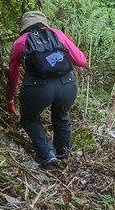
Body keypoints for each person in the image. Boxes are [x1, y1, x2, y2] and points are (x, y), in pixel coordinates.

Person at [7, 10, 87, 168]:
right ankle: (64, 153)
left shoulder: (20, 41)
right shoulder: (58, 34)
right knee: (62, 115)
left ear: (25, 26)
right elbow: (81, 61)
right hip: (67, 85)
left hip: (38, 88)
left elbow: (12, 74)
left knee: (29, 118)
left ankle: (46, 154)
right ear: (44, 23)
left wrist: (10, 98)